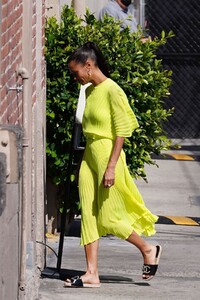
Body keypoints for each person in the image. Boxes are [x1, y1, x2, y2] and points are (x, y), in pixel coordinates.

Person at [64, 42, 162, 288]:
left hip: (108, 155)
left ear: (88, 66)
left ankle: (148, 248)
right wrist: (85, 162)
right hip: (89, 154)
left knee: (108, 217)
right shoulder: (88, 91)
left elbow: (122, 131)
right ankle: (91, 273)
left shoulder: (112, 90)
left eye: (76, 72)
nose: (74, 77)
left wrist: (110, 166)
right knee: (87, 213)